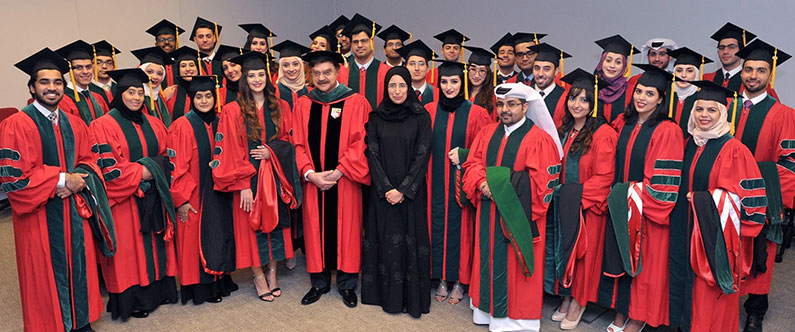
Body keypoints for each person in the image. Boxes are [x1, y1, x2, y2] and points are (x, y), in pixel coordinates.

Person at [2, 47, 114, 332]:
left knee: (80, 263)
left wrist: (80, 178)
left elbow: (90, 160)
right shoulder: (17, 124)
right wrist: (62, 180)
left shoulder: (75, 123)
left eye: (57, 82)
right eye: (44, 82)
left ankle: (80, 321)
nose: (52, 88)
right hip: (39, 216)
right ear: (32, 87)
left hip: (74, 211)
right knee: (43, 272)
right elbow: (15, 180)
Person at [667, 80, 767, 332]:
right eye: (699, 109)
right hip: (683, 228)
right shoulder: (689, 143)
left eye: (712, 110)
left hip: (713, 237)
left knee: (707, 289)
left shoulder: (734, 149)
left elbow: (751, 202)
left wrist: (707, 199)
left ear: (723, 113)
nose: (704, 115)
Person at [462, 82, 563, 332]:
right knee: (488, 258)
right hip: (488, 212)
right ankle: (486, 311)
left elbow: (543, 184)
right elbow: (472, 163)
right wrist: (483, 182)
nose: (505, 109)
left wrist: (498, 185)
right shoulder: (487, 133)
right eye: (500, 105)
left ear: (525, 107)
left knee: (515, 268)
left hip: (519, 217)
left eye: (511, 104)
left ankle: (517, 321)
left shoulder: (540, 139)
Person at [598, 64, 684, 332]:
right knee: (620, 256)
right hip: (619, 203)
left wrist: (634, 199)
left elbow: (663, 179)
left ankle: (638, 316)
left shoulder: (668, 130)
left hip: (645, 210)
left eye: (649, 93)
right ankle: (622, 311)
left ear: (660, 99)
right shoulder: (622, 122)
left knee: (643, 265)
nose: (642, 97)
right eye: (639, 91)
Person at [90, 68, 178, 320]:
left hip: (155, 197)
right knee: (130, 251)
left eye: (140, 92)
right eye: (131, 92)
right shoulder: (103, 125)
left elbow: (167, 154)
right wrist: (148, 171)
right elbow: (108, 168)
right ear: (120, 94)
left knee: (157, 245)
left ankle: (161, 292)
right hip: (125, 201)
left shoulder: (154, 122)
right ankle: (132, 301)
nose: (137, 97)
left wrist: (155, 169)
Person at [212, 51, 298, 303]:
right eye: (252, 75)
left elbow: (289, 141)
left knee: (274, 225)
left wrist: (272, 152)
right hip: (247, 179)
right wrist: (242, 185)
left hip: (274, 176)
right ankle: (258, 274)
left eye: (261, 74)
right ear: (245, 79)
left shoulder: (280, 106)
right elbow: (229, 148)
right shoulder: (232, 109)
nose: (257, 79)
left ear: (267, 77)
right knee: (251, 227)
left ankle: (273, 272)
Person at [291, 51, 370, 308]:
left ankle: (347, 285)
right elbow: (298, 144)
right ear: (310, 75)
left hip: (345, 180)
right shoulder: (304, 103)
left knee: (347, 230)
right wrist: (310, 174)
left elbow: (362, 142)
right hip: (315, 182)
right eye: (317, 73)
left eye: (327, 72)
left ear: (338, 72)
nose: (322, 78)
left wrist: (339, 171)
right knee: (315, 230)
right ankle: (319, 283)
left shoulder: (356, 102)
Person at [732, 40, 794, 332]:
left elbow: (789, 161)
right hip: (726, 197)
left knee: (760, 256)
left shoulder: (783, 114)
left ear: (770, 75)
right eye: (748, 69)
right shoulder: (727, 106)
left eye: (761, 70)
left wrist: (760, 188)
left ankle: (756, 311)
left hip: (761, 198)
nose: (753, 75)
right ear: (740, 72)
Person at [361, 66, 433, 318]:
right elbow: (372, 153)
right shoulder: (376, 117)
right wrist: (386, 188)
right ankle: (385, 297)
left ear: (409, 88)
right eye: (392, 85)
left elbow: (422, 155)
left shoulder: (421, 116)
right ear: (385, 88)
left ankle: (409, 298)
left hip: (411, 194)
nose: (397, 90)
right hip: (382, 194)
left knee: (409, 242)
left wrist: (403, 189)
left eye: (402, 85)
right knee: (384, 241)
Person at [546, 69, 615, 330]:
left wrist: (573, 195)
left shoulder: (603, 133)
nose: (577, 104)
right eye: (573, 98)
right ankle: (566, 296)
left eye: (584, 100)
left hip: (586, 206)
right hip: (564, 203)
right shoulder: (564, 129)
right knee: (563, 250)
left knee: (583, 257)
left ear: (593, 103)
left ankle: (579, 301)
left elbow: (605, 175)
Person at [424, 60, 492, 305]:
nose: (449, 87)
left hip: (462, 183)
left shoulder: (476, 112)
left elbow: (485, 149)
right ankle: (440, 277)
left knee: (461, 230)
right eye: (444, 82)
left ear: (462, 83)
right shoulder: (430, 110)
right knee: (436, 226)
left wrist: (463, 155)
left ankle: (459, 281)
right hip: (434, 181)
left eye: (454, 82)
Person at [168, 75, 239, 305]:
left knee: (219, 234)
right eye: (199, 96)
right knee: (193, 241)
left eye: (209, 96)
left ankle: (220, 279)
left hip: (219, 192)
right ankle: (200, 290)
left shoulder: (220, 121)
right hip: (194, 195)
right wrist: (182, 199)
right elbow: (177, 166)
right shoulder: (182, 125)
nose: (204, 100)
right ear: (191, 99)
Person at [339, 13, 388, 110]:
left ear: (372, 42)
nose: (360, 45)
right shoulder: (341, 72)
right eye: (355, 42)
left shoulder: (386, 72)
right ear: (351, 45)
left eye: (364, 41)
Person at [55, 40, 110, 125]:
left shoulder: (98, 98)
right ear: (70, 70)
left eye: (88, 67)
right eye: (79, 67)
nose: (85, 71)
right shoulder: (62, 100)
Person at [667, 47, 713, 138]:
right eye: (679, 70)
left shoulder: (702, 99)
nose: (683, 75)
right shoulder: (665, 94)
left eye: (689, 71)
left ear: (696, 74)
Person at [593, 35, 639, 123]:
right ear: (601, 62)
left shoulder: (631, 92)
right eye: (608, 60)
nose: (612, 65)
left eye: (618, 62)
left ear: (624, 66)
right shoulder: (591, 86)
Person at [703, 23, 756, 93]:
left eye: (731, 47)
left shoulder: (754, 82)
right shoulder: (707, 79)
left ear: (741, 51)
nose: (725, 51)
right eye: (721, 47)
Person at [131, 46, 174, 128]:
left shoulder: (158, 97)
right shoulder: (137, 97)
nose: (155, 77)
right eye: (150, 72)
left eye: (160, 74)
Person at [528, 43, 571, 124]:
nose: (540, 74)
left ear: (556, 71)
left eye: (546, 69)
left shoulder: (565, 99)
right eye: (537, 68)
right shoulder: (524, 93)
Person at [166, 46, 204, 122]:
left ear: (198, 68)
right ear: (178, 70)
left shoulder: (205, 91)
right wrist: (164, 98)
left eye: (192, 65)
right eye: (183, 66)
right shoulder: (172, 92)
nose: (188, 69)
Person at [271, 40, 311, 109]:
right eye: (286, 65)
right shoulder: (273, 92)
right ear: (281, 68)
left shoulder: (310, 92)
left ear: (301, 66)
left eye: (295, 64)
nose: (291, 69)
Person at [396, 40, 437, 106]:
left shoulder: (437, 93)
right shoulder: (397, 94)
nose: (417, 68)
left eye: (421, 64)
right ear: (405, 68)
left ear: (427, 69)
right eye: (412, 64)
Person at [146, 19, 185, 88]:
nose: (167, 42)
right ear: (156, 44)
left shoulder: (183, 64)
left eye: (170, 39)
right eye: (162, 40)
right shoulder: (148, 65)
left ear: (176, 43)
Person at [463, 46, 497, 119]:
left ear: (487, 74)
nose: (476, 75)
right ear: (467, 71)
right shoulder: (459, 93)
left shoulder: (493, 97)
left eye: (482, 70)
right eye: (473, 69)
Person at [90, 40, 120, 105]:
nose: (104, 66)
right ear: (91, 66)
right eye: (98, 63)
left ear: (114, 66)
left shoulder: (120, 89)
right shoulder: (87, 90)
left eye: (109, 63)